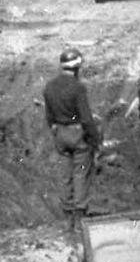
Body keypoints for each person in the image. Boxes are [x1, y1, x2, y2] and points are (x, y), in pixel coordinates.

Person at [41, 47, 102, 246]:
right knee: (80, 174)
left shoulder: (49, 87)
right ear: (77, 68)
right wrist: (95, 139)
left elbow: (49, 116)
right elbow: (86, 118)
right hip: (78, 135)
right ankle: (79, 219)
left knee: (65, 175)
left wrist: (57, 131)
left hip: (60, 133)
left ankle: (67, 220)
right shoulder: (78, 87)